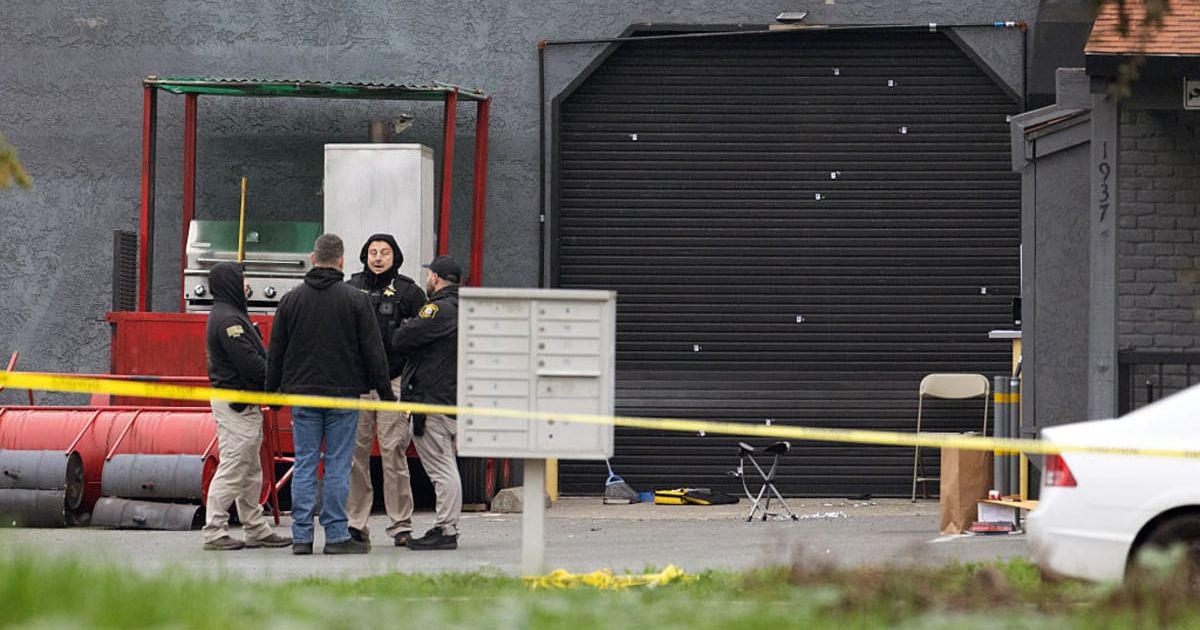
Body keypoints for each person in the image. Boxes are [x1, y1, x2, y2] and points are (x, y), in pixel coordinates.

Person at [265, 234, 394, 555]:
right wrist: (385, 391)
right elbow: (373, 351)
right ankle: (337, 536)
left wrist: (272, 393)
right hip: (344, 395)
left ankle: (302, 537)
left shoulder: (291, 301)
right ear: (341, 260)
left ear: (312, 258)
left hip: (303, 396)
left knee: (306, 464)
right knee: (338, 464)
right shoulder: (355, 300)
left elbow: (275, 352)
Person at [201, 261, 291, 551]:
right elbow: (250, 363)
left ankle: (255, 528)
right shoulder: (229, 321)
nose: (246, 284)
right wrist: (276, 384)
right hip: (237, 403)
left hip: (243, 402)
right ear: (231, 283)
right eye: (242, 279)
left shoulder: (230, 315)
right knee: (235, 465)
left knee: (251, 469)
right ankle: (214, 530)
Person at [346, 234, 426, 547]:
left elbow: (422, 341)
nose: (378, 257)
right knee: (356, 454)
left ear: (396, 256)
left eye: (385, 252)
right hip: (359, 383)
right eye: (373, 252)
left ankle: (400, 524)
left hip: (394, 381)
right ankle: (356, 523)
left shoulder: (410, 293)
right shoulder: (350, 290)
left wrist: (413, 382)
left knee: (394, 452)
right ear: (364, 256)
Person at [391, 255, 463, 550]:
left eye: (429, 275)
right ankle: (446, 526)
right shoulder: (464, 307)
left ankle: (446, 530)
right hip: (450, 395)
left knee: (441, 467)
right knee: (446, 464)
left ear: (436, 277)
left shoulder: (438, 308)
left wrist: (408, 323)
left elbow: (402, 338)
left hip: (432, 398)